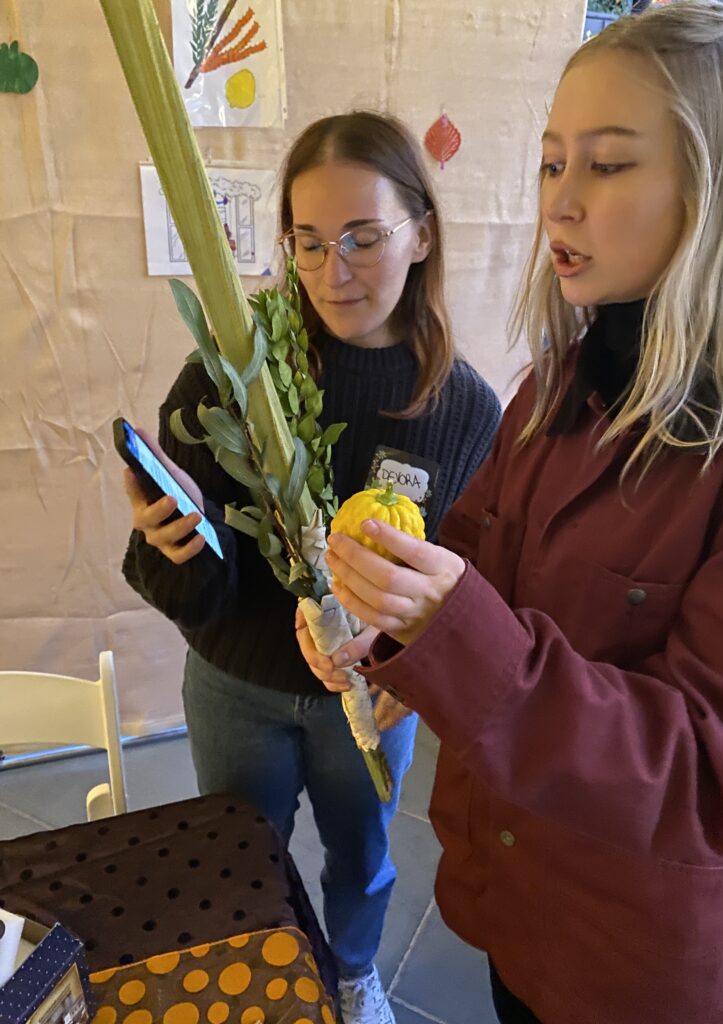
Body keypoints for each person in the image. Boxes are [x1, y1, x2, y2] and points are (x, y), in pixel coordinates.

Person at [296, 5, 723, 1022]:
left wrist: (454, 630)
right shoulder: (553, 389)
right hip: (521, 898)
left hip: (639, 953)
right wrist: (380, 609)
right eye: (552, 163)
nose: (562, 204)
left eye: (605, 166)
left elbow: (703, 775)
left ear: (718, 190)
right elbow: (472, 555)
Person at [121, 111, 501, 1024]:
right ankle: (255, 977)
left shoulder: (464, 411)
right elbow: (191, 579)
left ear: (422, 232)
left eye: (365, 237)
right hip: (235, 684)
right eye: (309, 240)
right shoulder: (233, 373)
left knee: (363, 854)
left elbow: (472, 593)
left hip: (368, 703)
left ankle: (354, 972)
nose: (335, 271)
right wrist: (171, 539)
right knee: (239, 856)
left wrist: (409, 655)